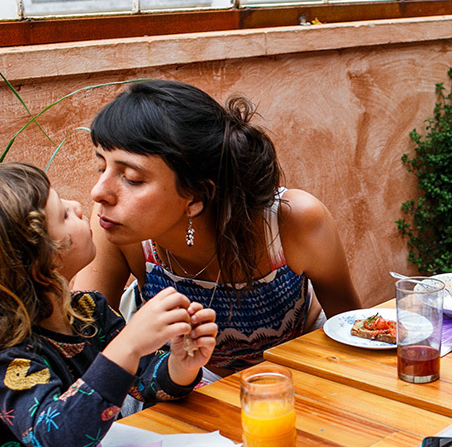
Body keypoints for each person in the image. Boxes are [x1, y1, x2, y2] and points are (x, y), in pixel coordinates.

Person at [0, 163, 218, 447]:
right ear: (35, 263)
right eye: (62, 215)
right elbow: (60, 442)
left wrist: (179, 365)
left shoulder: (88, 312)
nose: (77, 206)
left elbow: (145, 382)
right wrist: (127, 345)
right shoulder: (4, 361)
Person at [74, 80, 362, 377]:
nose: (99, 192)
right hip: (184, 385)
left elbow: (354, 332)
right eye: (101, 167)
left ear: (195, 197)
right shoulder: (117, 227)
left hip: (300, 367)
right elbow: (81, 349)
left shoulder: (291, 221)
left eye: (132, 177)